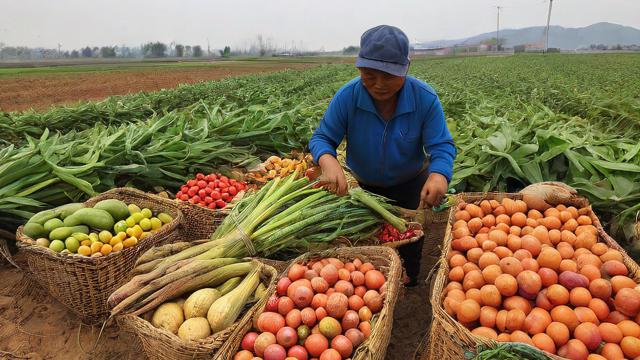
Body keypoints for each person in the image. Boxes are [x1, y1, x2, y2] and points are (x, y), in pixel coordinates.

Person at [309, 25, 456, 287]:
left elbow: (442, 146)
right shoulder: (347, 97)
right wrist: (328, 161)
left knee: (410, 236)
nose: (378, 84)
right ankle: (376, 284)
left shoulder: (424, 99)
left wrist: (439, 174)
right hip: (364, 188)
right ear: (359, 68)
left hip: (410, 183)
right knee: (367, 239)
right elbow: (322, 138)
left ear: (406, 67)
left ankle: (411, 278)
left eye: (388, 76)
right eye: (368, 74)